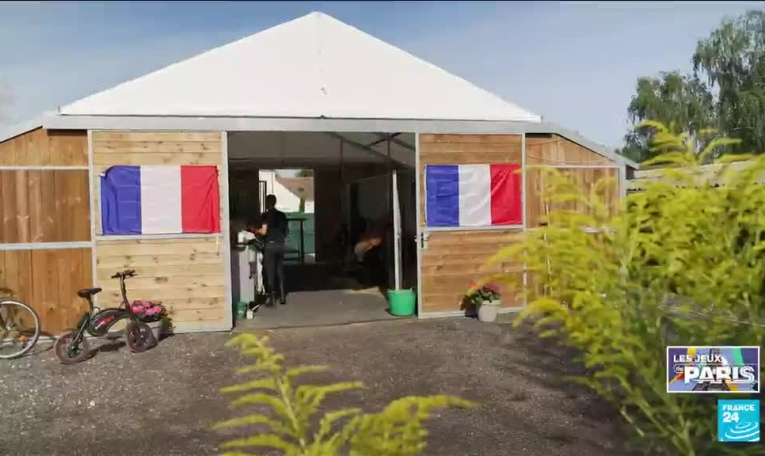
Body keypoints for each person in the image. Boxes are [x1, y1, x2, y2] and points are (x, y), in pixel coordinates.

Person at [248, 194, 289, 307]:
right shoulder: (282, 215)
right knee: (280, 270)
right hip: (280, 245)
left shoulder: (266, 215)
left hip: (270, 247)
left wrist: (254, 230)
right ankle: (282, 296)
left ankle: (271, 299)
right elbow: (286, 231)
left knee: (270, 272)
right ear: (275, 202)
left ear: (267, 203)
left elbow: (264, 231)